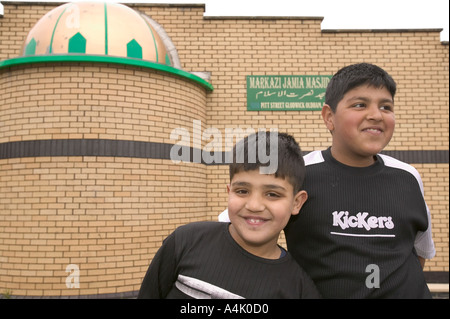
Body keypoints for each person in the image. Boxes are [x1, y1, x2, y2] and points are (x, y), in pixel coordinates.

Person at [284, 63, 436, 298]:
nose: (375, 115)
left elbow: (419, 253)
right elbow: (243, 228)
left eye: (386, 106)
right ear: (329, 117)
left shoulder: (408, 176)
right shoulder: (297, 174)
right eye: (359, 105)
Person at [138, 131, 321, 299]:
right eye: (242, 191)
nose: (254, 205)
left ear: (297, 202)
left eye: (272, 194)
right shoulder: (184, 242)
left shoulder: (299, 290)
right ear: (229, 191)